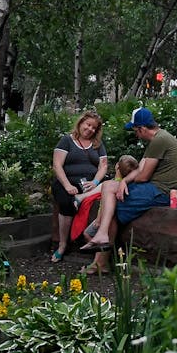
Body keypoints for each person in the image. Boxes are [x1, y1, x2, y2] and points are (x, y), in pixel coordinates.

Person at [82, 107, 177, 276]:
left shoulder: (159, 141)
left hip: (161, 191)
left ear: (142, 128)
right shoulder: (159, 138)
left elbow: (143, 176)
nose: (136, 135)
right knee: (109, 185)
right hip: (156, 187)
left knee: (113, 205)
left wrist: (125, 182)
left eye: (136, 131)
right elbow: (140, 167)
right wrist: (123, 180)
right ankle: (100, 235)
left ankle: (100, 260)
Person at [51, 110, 107, 263]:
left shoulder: (97, 144)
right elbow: (57, 165)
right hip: (66, 182)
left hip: (89, 184)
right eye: (88, 125)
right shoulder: (66, 141)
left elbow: (103, 166)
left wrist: (95, 182)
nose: (90, 129)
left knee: (108, 187)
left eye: (94, 128)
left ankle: (89, 239)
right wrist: (68, 185)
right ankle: (62, 245)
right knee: (65, 202)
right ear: (81, 123)